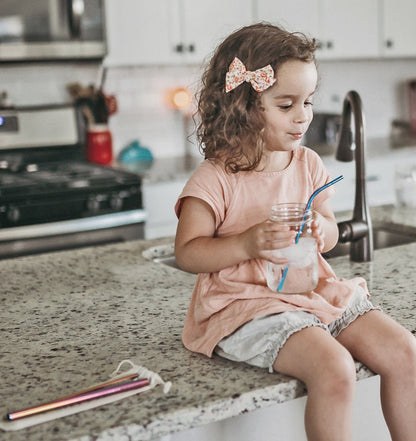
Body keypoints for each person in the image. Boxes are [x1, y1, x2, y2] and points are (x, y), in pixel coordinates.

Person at [174, 23, 416, 441]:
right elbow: (188, 252)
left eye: (307, 101)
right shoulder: (216, 177)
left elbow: (331, 235)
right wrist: (247, 243)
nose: (303, 115)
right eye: (286, 104)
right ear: (244, 106)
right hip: (245, 305)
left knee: (406, 352)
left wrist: (321, 229)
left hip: (310, 291)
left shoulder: (307, 164)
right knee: (334, 368)